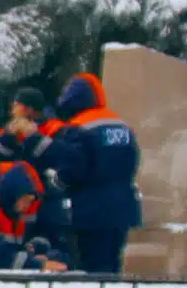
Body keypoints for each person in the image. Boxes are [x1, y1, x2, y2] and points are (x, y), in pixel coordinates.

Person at [44, 72, 140, 273]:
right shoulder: (120, 124)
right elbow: (133, 160)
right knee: (113, 261)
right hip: (123, 206)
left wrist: (57, 181)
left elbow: (74, 168)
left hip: (93, 209)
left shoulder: (79, 127)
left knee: (94, 264)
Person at [0, 88, 70, 260]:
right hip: (18, 201)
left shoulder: (55, 128)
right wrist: (8, 138)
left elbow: (58, 158)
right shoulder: (9, 130)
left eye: (16, 105)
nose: (12, 110)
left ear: (29, 109)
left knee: (52, 244)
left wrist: (32, 136)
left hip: (49, 200)